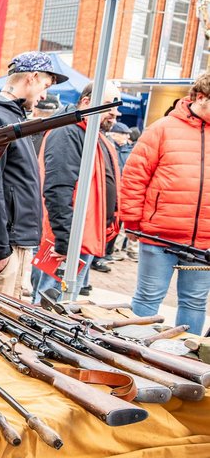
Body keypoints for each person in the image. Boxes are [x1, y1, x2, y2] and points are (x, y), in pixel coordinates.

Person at [0, 51, 66, 298]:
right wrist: (0, 249)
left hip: (10, 242)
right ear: (32, 77)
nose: (44, 96)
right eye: (45, 86)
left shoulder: (9, 116)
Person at [121, 73, 210, 335]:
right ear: (201, 98)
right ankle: (133, 348)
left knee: (195, 302)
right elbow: (135, 176)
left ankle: (187, 353)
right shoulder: (162, 129)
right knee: (148, 298)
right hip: (158, 235)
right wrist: (132, 221)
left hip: (204, 242)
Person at [33, 82, 122, 303]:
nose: (114, 113)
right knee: (50, 301)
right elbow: (57, 189)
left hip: (81, 235)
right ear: (86, 102)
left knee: (63, 301)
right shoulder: (68, 131)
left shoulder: (90, 133)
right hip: (68, 237)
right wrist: (65, 240)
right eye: (109, 105)